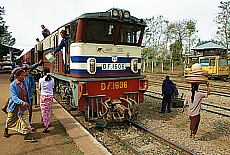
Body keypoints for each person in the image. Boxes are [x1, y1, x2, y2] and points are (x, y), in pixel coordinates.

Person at [3, 68, 36, 142]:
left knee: (25, 120)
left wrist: (29, 98)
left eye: (24, 75)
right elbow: (14, 97)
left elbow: (28, 90)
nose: (24, 77)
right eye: (22, 75)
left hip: (24, 105)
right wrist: (21, 102)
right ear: (17, 76)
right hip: (15, 105)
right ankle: (6, 129)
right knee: (10, 119)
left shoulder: (25, 82)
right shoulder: (13, 85)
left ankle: (26, 135)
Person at [39, 67, 54, 133]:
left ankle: (46, 124)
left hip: (43, 96)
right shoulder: (52, 80)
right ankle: (47, 121)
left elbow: (40, 88)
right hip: (50, 96)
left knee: (43, 110)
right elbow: (53, 87)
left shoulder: (41, 80)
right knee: (48, 110)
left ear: (43, 73)